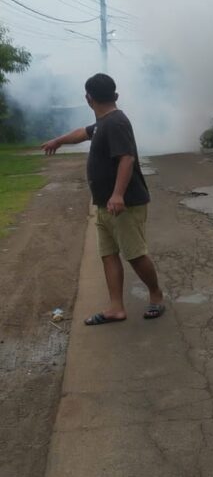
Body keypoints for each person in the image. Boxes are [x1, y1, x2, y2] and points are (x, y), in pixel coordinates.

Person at [42, 73, 164, 325]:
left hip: (124, 204)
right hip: (104, 204)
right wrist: (59, 141)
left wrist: (118, 194)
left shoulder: (116, 122)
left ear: (88, 98)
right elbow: (83, 132)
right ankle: (116, 308)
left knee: (135, 254)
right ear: (114, 95)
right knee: (108, 254)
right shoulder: (102, 123)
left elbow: (126, 158)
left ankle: (156, 296)